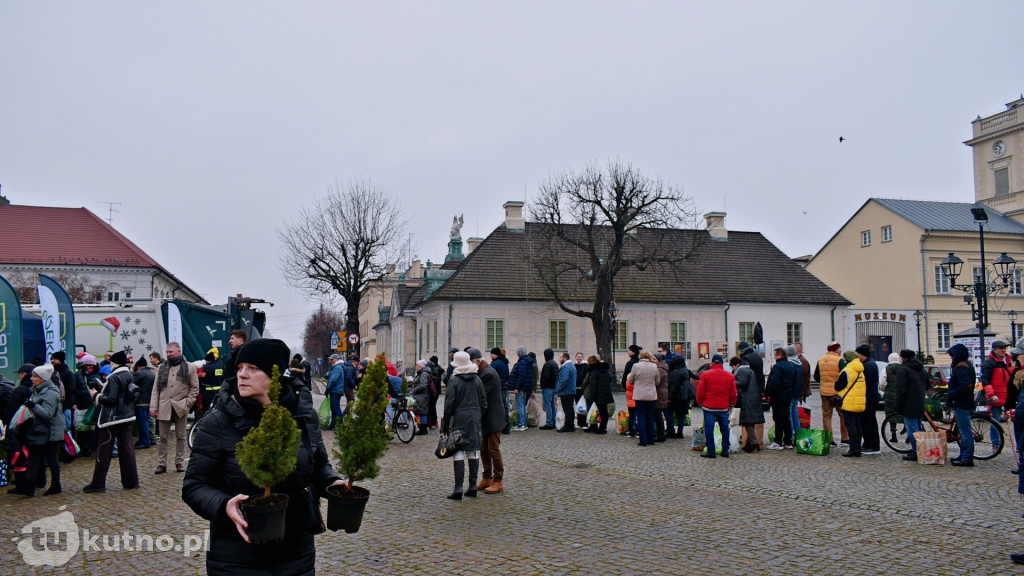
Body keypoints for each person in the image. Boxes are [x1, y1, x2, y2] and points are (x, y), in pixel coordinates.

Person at [182, 338, 347, 575]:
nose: (242, 375)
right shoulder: (218, 422)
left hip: (296, 553)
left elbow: (318, 465)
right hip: (236, 555)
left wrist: (333, 482)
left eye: (253, 368)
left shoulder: (304, 416)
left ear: (275, 375)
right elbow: (194, 486)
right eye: (239, 368)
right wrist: (223, 505)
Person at [84, 350, 139, 493]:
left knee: (103, 450)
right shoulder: (128, 375)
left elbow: (111, 399)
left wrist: (96, 395)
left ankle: (98, 483)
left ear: (113, 362)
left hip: (112, 419)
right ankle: (131, 481)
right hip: (127, 416)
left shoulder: (114, 377)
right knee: (127, 450)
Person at [10, 364, 64, 497]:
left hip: (51, 431)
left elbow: (47, 415)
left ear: (43, 379)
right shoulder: (36, 390)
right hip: (39, 431)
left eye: (35, 376)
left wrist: (33, 406)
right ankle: (29, 486)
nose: (32, 379)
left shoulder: (50, 393)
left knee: (51, 458)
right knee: (34, 457)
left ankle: (55, 485)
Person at [443, 351, 486, 500]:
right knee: (473, 450)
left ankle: (458, 488)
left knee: (458, 450)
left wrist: (445, 423)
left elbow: (449, 405)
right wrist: (478, 415)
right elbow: (484, 402)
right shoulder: (477, 380)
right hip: (474, 417)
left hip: (459, 417)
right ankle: (473, 485)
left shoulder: (454, 381)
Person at [150, 342, 199, 474]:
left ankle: (179, 462)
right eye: (167, 352)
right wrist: (153, 406)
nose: (168, 354)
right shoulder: (161, 367)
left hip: (180, 406)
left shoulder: (190, 367)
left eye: (170, 352)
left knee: (181, 436)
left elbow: (195, 388)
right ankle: (162, 464)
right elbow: (156, 389)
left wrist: (187, 403)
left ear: (178, 351)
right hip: (164, 406)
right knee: (163, 437)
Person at [469, 348, 506, 494]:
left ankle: (498, 480)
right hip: (486, 417)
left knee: (493, 450)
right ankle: (487, 477)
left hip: (493, 417)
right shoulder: (482, 372)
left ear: (477, 361)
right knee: (483, 449)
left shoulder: (488, 374)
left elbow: (480, 395)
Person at [697, 354, 737, 458]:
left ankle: (711, 451)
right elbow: (733, 393)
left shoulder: (705, 374)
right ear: (722, 363)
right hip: (723, 407)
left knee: (709, 429)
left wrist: (699, 401)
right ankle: (725, 450)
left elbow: (700, 390)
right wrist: (732, 404)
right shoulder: (730, 376)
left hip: (708, 406)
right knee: (724, 429)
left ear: (712, 363)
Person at [945, 343, 977, 467]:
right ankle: (963, 455)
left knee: (965, 432)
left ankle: (967, 458)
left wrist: (951, 394)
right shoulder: (965, 364)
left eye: (952, 356)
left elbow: (965, 385)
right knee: (963, 431)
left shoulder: (961, 367)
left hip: (962, 402)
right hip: (964, 401)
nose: (951, 358)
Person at [893, 349, 927, 461]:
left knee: (912, 429)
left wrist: (898, 406)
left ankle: (915, 451)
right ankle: (922, 450)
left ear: (903, 358)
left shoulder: (904, 370)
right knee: (918, 427)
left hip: (909, 403)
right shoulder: (921, 368)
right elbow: (928, 385)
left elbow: (900, 390)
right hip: (920, 401)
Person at [834, 351, 867, 457]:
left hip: (849, 402)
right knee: (858, 426)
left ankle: (853, 449)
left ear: (847, 360)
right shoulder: (860, 370)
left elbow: (838, 386)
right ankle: (858, 448)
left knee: (851, 426)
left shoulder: (847, 371)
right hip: (860, 402)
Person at [815, 342, 848, 446]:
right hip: (837, 392)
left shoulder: (820, 360)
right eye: (839, 348)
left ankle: (829, 440)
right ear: (835, 349)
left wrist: (825, 381)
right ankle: (844, 438)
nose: (841, 350)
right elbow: (844, 375)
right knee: (842, 415)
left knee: (826, 416)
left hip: (824, 392)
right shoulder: (839, 360)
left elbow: (816, 376)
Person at [981, 339, 1011, 452]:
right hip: (996, 396)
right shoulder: (989, 363)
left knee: (1016, 419)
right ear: (994, 350)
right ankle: (996, 444)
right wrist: (991, 394)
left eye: (1004, 348)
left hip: (1010, 396)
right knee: (995, 420)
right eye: (1000, 348)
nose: (1003, 350)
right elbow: (985, 380)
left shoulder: (1010, 361)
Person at [765, 348, 796, 450]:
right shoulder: (791, 366)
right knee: (786, 418)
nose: (774, 357)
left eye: (775, 355)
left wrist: (768, 392)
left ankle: (778, 441)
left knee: (778, 419)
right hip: (788, 395)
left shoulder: (778, 367)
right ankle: (788, 441)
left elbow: (774, 382)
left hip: (778, 395)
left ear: (779, 355)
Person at [628, 350, 659, 447]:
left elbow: (630, 379)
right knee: (650, 417)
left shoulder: (636, 366)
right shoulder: (654, 366)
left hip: (640, 394)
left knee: (641, 417)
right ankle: (651, 439)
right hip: (651, 395)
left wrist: (637, 383)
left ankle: (643, 440)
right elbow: (657, 381)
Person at [733, 354, 764, 452]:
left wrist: (731, 381)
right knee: (749, 421)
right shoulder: (750, 370)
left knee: (747, 421)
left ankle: (754, 442)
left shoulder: (741, 371)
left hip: (747, 398)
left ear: (737, 364)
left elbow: (742, 382)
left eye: (733, 366)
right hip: (753, 397)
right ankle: (751, 442)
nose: (733, 368)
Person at [856, 344, 881, 455]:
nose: (858, 357)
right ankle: (870, 444)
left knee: (868, 422)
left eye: (859, 354)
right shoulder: (870, 363)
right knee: (869, 421)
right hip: (870, 397)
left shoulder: (868, 365)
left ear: (863, 355)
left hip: (868, 398)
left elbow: (865, 382)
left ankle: (870, 445)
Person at [583, 355, 615, 434]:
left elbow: (594, 385)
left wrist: (593, 396)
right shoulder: (604, 369)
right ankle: (602, 427)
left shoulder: (593, 371)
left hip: (598, 394)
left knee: (598, 411)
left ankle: (600, 428)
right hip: (605, 392)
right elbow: (609, 379)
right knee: (604, 412)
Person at [666, 355, 694, 439]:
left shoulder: (676, 372)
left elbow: (675, 386)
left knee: (669, 413)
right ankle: (680, 432)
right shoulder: (685, 370)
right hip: (684, 396)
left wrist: (670, 397)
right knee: (681, 415)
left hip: (676, 397)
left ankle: (671, 431)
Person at [508, 346, 535, 431]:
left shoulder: (523, 362)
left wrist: (516, 387)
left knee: (520, 406)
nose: (517, 354)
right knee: (523, 405)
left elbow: (521, 376)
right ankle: (524, 423)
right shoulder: (527, 362)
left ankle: (521, 424)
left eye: (518, 352)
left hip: (521, 387)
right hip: (525, 386)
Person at [133, 357, 156, 449]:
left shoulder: (139, 374)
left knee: (142, 422)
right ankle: (151, 439)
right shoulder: (152, 373)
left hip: (141, 402)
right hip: (151, 401)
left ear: (138, 366)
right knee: (150, 422)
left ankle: (145, 441)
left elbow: (132, 385)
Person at [784, 346, 805, 441]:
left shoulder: (790, 364)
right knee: (795, 414)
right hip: (797, 392)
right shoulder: (799, 363)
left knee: (789, 415)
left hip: (790, 392)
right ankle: (799, 435)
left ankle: (791, 436)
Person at [882, 352, 901, 444]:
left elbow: (882, 382)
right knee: (903, 413)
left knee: (890, 414)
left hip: (890, 394)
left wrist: (885, 390)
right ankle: (909, 436)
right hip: (901, 394)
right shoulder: (903, 369)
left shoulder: (886, 369)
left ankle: (894, 436)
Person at [555, 352, 577, 432]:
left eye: (560, 358)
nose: (559, 359)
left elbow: (563, 379)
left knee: (567, 409)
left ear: (565, 358)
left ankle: (568, 426)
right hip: (570, 391)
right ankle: (571, 425)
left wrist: (559, 388)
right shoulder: (571, 366)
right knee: (570, 409)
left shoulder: (566, 367)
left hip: (566, 391)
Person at [199, 348, 225, 415]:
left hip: (208, 394)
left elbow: (201, 380)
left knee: (207, 412)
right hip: (219, 393)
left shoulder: (208, 368)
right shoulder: (221, 366)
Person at [539, 348, 559, 430]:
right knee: (553, 405)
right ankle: (553, 421)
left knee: (548, 406)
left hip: (547, 387)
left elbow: (545, 377)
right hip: (554, 387)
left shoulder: (547, 364)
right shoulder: (555, 364)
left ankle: (549, 423)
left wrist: (542, 385)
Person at [411, 360, 432, 435]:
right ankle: (422, 428)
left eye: (418, 365)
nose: (416, 367)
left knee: (422, 412)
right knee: (420, 412)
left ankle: (423, 429)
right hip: (421, 395)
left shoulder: (424, 374)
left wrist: (414, 390)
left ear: (422, 366)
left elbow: (423, 385)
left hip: (422, 395)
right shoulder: (422, 373)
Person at [324, 354, 345, 430]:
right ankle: (333, 424)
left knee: (336, 408)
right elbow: (326, 375)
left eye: (331, 359)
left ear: (336, 359)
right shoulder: (334, 367)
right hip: (334, 390)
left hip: (336, 390)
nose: (330, 361)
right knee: (333, 407)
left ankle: (341, 424)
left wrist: (328, 388)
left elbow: (333, 379)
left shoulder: (338, 368)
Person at [654, 353, 670, 442]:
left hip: (659, 394)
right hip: (662, 393)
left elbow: (657, 382)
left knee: (657, 415)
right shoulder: (663, 368)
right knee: (658, 415)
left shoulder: (660, 370)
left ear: (658, 360)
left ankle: (660, 435)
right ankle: (660, 434)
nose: (652, 361)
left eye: (654, 359)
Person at [573, 352, 588, 428]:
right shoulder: (574, 366)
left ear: (583, 357)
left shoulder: (586, 366)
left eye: (580, 357)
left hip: (582, 389)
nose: (579, 358)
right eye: (578, 357)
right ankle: (579, 423)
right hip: (575, 389)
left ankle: (584, 423)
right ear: (576, 357)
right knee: (578, 406)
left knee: (583, 406)